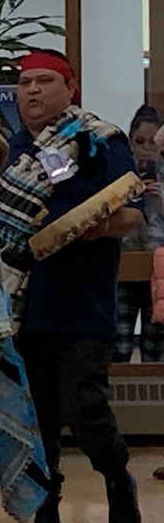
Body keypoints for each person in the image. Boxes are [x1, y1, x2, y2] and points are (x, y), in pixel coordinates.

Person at [0, 48, 145, 523]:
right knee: (34, 419)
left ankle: (118, 479)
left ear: (69, 87)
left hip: (80, 300)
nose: (30, 91)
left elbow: (133, 214)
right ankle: (46, 519)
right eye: (23, 82)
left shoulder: (99, 141)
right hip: (20, 305)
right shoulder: (9, 151)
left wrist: (83, 227)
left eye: (43, 81)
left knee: (85, 407)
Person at [114, 105, 164, 364]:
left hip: (159, 268)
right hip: (125, 262)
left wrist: (158, 200)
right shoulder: (120, 173)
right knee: (120, 345)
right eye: (139, 141)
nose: (146, 148)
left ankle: (153, 403)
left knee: (154, 349)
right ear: (130, 140)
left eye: (152, 142)